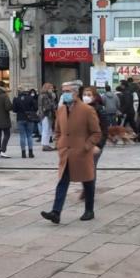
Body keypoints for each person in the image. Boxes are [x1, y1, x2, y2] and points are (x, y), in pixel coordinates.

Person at [41, 83, 102, 224]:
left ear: (75, 93)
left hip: (82, 152)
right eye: (63, 91)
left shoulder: (87, 110)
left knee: (87, 180)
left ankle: (89, 210)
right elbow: (57, 130)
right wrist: (59, 143)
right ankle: (56, 212)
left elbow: (96, 133)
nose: (65, 94)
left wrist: (86, 146)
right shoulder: (61, 109)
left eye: (67, 91)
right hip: (66, 153)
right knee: (62, 181)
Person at [15, 89, 38, 158]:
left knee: (22, 136)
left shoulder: (16, 99)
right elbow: (36, 107)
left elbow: (14, 109)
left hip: (20, 118)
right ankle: (30, 153)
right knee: (29, 136)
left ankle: (23, 153)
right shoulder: (30, 98)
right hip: (29, 118)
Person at [38, 84, 57, 151]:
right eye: (51, 88)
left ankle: (46, 144)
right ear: (47, 88)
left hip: (47, 114)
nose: (52, 90)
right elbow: (48, 106)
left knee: (48, 130)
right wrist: (53, 100)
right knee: (46, 130)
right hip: (46, 114)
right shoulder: (45, 96)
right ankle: (45, 145)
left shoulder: (45, 95)